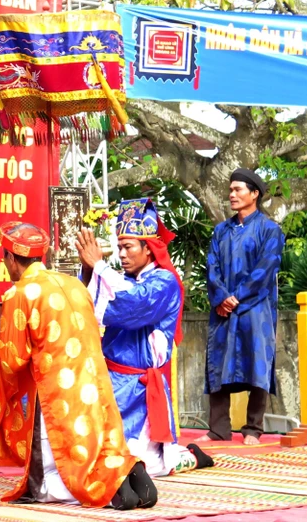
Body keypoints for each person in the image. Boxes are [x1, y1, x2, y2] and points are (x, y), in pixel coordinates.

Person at [0, 222, 156, 511]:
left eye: (3, 258)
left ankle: (108, 491)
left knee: (56, 461)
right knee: (94, 439)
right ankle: (126, 470)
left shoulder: (22, 293)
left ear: (10, 259)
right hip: (95, 378)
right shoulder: (72, 284)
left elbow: (11, 357)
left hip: (56, 385)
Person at [75, 199, 214, 477]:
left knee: (134, 465)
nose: (122, 255)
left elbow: (132, 306)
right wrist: (89, 270)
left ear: (148, 250)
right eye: (119, 248)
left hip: (139, 391)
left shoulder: (165, 282)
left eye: (128, 247)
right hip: (110, 381)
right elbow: (87, 304)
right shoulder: (122, 278)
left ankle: (185, 457)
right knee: (90, 455)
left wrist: (99, 267)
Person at [199, 169, 284, 445]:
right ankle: (218, 429)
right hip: (223, 309)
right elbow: (212, 268)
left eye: (238, 190)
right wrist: (221, 297)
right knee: (218, 362)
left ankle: (253, 429)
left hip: (256, 309)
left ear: (254, 194)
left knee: (257, 361)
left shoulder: (270, 230)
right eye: (231, 190)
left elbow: (265, 269)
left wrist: (237, 298)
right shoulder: (220, 231)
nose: (232, 195)